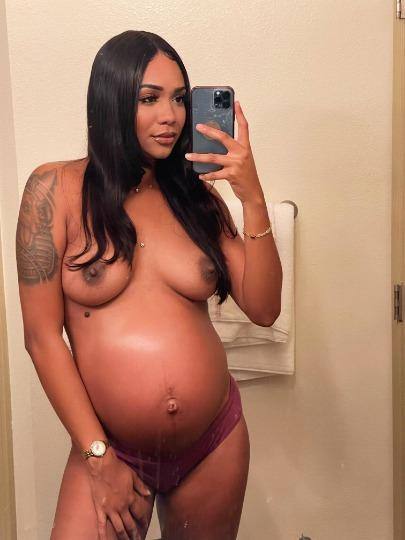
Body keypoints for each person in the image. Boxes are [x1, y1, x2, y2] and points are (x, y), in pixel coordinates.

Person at [16, 30, 282, 540]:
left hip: (213, 444)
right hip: (110, 448)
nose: (171, 116)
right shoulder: (55, 189)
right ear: (112, 101)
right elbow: (42, 338)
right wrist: (98, 458)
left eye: (179, 98)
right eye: (149, 98)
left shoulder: (197, 199)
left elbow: (265, 308)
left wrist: (251, 196)